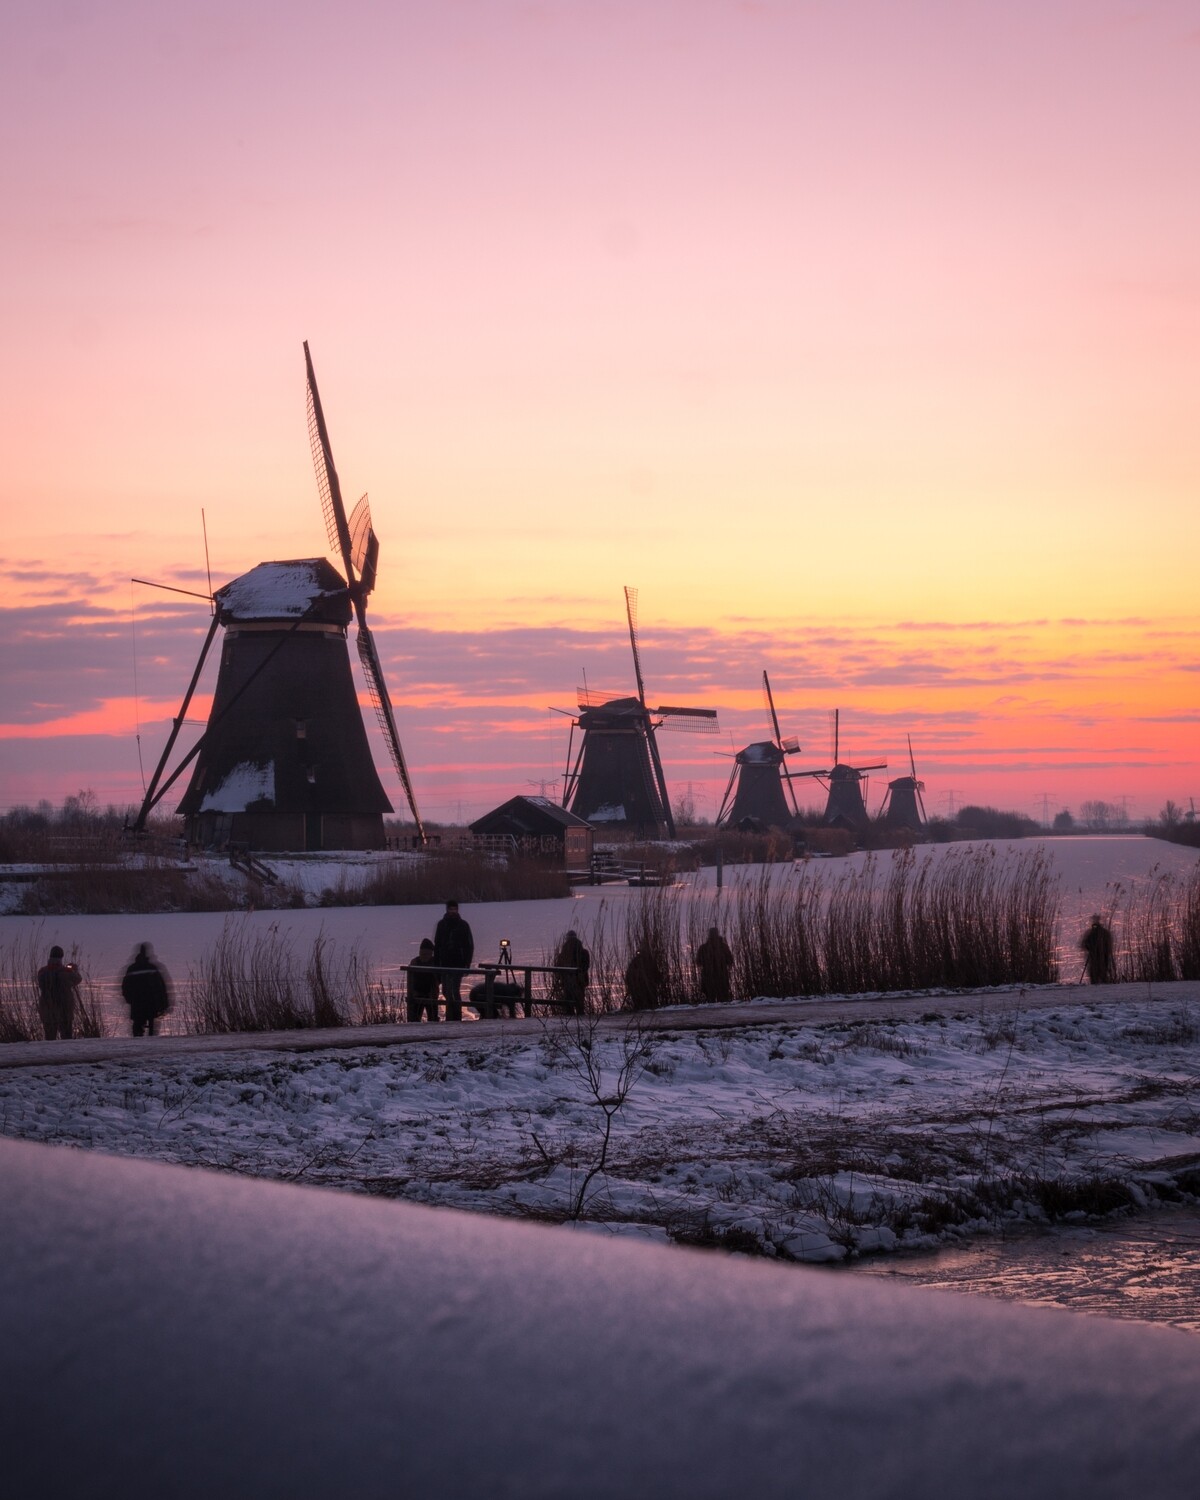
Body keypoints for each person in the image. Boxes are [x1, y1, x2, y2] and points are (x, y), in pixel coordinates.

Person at [434, 900, 475, 1023]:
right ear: (447, 910)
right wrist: (437, 963)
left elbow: (469, 945)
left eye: (454, 909)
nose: (452, 911)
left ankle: (456, 1017)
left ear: (457, 910)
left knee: (454, 990)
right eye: (450, 909)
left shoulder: (463, 925)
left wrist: (467, 963)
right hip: (444, 963)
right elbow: (437, 945)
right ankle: (450, 1015)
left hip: (458, 963)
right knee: (446, 990)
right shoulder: (441, 925)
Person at [120, 942, 172, 1037]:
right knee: (151, 1026)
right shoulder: (152, 968)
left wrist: (129, 999)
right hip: (151, 1003)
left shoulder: (132, 968)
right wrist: (164, 1003)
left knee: (137, 1026)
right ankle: (150, 1041)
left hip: (137, 1003)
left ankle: (137, 1041)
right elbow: (161, 987)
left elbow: (125, 987)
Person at [36, 945, 82, 1041]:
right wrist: (74, 969)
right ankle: (65, 1055)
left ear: (50, 956)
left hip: (47, 1009)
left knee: (49, 1038)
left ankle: (49, 1055)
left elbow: (40, 985)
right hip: (64, 1009)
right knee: (66, 1038)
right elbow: (78, 979)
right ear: (61, 957)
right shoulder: (66, 971)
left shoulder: (42, 971)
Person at [553, 929, 590, 1015]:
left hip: (567, 980)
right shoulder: (584, 952)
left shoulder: (563, 954)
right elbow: (586, 966)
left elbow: (558, 967)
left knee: (568, 1000)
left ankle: (570, 1016)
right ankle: (580, 1016)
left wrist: (560, 978)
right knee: (579, 1001)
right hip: (579, 981)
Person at [695, 926, 734, 1003]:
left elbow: (698, 962)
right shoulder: (723, 947)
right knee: (723, 997)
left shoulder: (703, 947)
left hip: (708, 975)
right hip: (721, 975)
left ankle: (712, 1011)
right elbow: (730, 961)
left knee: (710, 997)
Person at [406, 938, 440, 1023]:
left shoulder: (416, 962)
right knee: (418, 1018)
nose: (425, 956)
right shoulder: (433, 962)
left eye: (426, 953)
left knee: (430, 1018)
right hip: (420, 994)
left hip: (428, 994)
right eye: (423, 953)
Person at [624, 945, 662, 1010]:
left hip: (645, 986)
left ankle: (646, 1006)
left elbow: (656, 974)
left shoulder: (648, 962)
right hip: (638, 986)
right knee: (639, 999)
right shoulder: (635, 963)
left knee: (646, 998)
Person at [1081, 914, 1114, 985]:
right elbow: (1085, 944)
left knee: (1102, 973)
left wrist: (1104, 951)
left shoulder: (1104, 933)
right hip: (1094, 957)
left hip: (1102, 957)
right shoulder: (1091, 933)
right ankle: (1096, 985)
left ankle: (1102, 985)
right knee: (1094, 974)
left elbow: (1108, 945)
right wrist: (1090, 948)